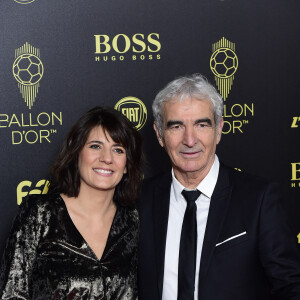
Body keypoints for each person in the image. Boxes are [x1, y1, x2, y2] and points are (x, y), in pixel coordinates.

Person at [137, 74, 300, 300]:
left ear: (219, 129)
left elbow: (291, 286)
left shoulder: (258, 199)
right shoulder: (140, 199)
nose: (190, 140)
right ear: (159, 134)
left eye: (201, 124)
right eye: (176, 126)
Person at [0, 106, 143, 300]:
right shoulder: (40, 213)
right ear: (77, 154)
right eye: (95, 146)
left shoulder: (133, 221)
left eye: (118, 150)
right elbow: (11, 293)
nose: (107, 158)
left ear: (126, 165)